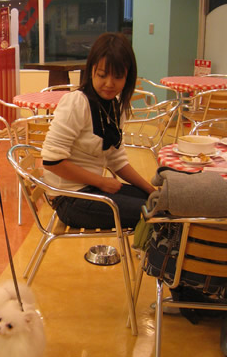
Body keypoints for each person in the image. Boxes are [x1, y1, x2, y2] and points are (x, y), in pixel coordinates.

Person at [41, 32, 155, 229]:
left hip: (92, 190)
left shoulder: (115, 105)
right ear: (91, 70)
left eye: (118, 77)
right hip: (70, 199)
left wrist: (151, 190)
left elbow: (117, 160)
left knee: (158, 203)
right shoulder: (77, 103)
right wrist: (101, 182)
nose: (109, 83)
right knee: (157, 214)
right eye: (102, 75)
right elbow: (52, 162)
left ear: (127, 77)